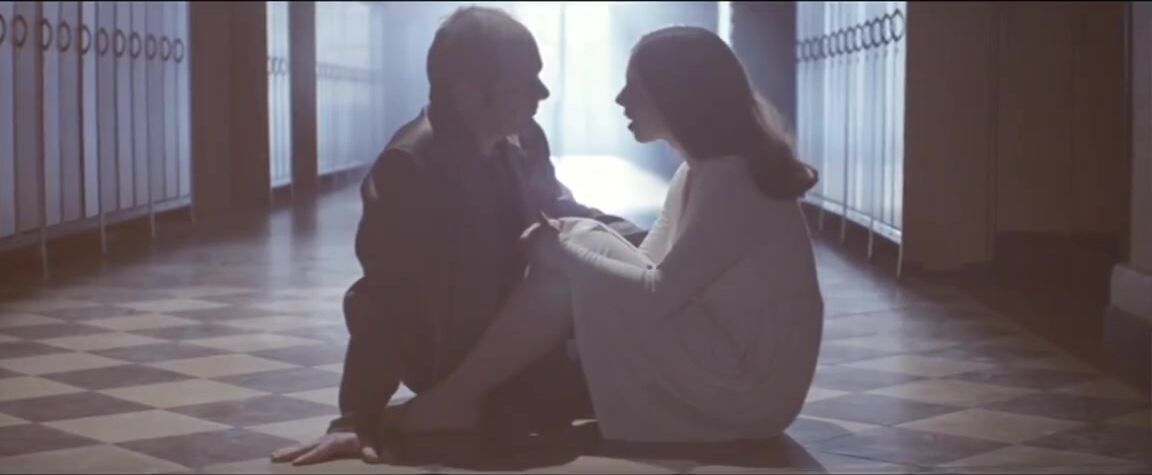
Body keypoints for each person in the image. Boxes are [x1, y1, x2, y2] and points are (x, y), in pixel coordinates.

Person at [378, 25, 825, 443]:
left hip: (748, 392)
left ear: (676, 96)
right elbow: (646, 264)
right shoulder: (699, 172)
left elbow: (655, 292)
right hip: (725, 359)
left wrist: (560, 251)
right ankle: (462, 398)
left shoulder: (733, 182)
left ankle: (454, 400)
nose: (620, 99)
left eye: (636, 89)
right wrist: (568, 242)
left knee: (574, 246)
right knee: (578, 237)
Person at [271, 7, 646, 465]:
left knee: (636, 372)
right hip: (458, 356)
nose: (542, 93)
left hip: (527, 334)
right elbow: (386, 297)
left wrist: (648, 240)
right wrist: (356, 417)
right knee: (628, 383)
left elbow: (563, 209)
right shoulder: (411, 167)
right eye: (525, 80)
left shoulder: (525, 138)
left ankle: (502, 405)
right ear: (469, 91)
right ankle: (467, 404)